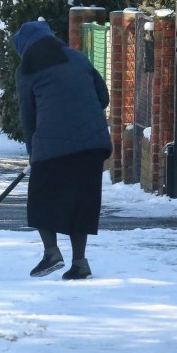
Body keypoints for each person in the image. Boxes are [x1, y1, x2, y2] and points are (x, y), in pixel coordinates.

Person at [12, 20, 112, 280]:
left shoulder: (28, 69)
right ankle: (80, 263)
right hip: (92, 144)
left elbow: (28, 116)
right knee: (82, 202)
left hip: (52, 146)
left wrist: (33, 151)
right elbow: (104, 97)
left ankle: (51, 253)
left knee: (41, 199)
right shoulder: (77, 58)